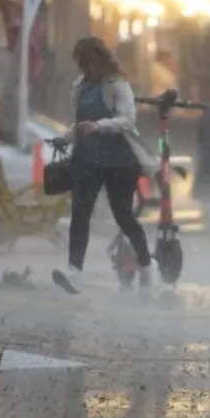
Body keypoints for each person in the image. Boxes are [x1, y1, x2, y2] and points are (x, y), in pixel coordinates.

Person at [53, 36, 158, 294]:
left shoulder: (117, 84)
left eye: (88, 62)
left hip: (118, 161)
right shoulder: (80, 86)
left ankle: (147, 264)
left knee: (123, 215)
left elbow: (127, 120)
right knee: (80, 214)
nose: (85, 68)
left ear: (99, 59)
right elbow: (80, 124)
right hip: (87, 160)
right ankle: (74, 270)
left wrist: (99, 126)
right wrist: (65, 138)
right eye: (81, 64)